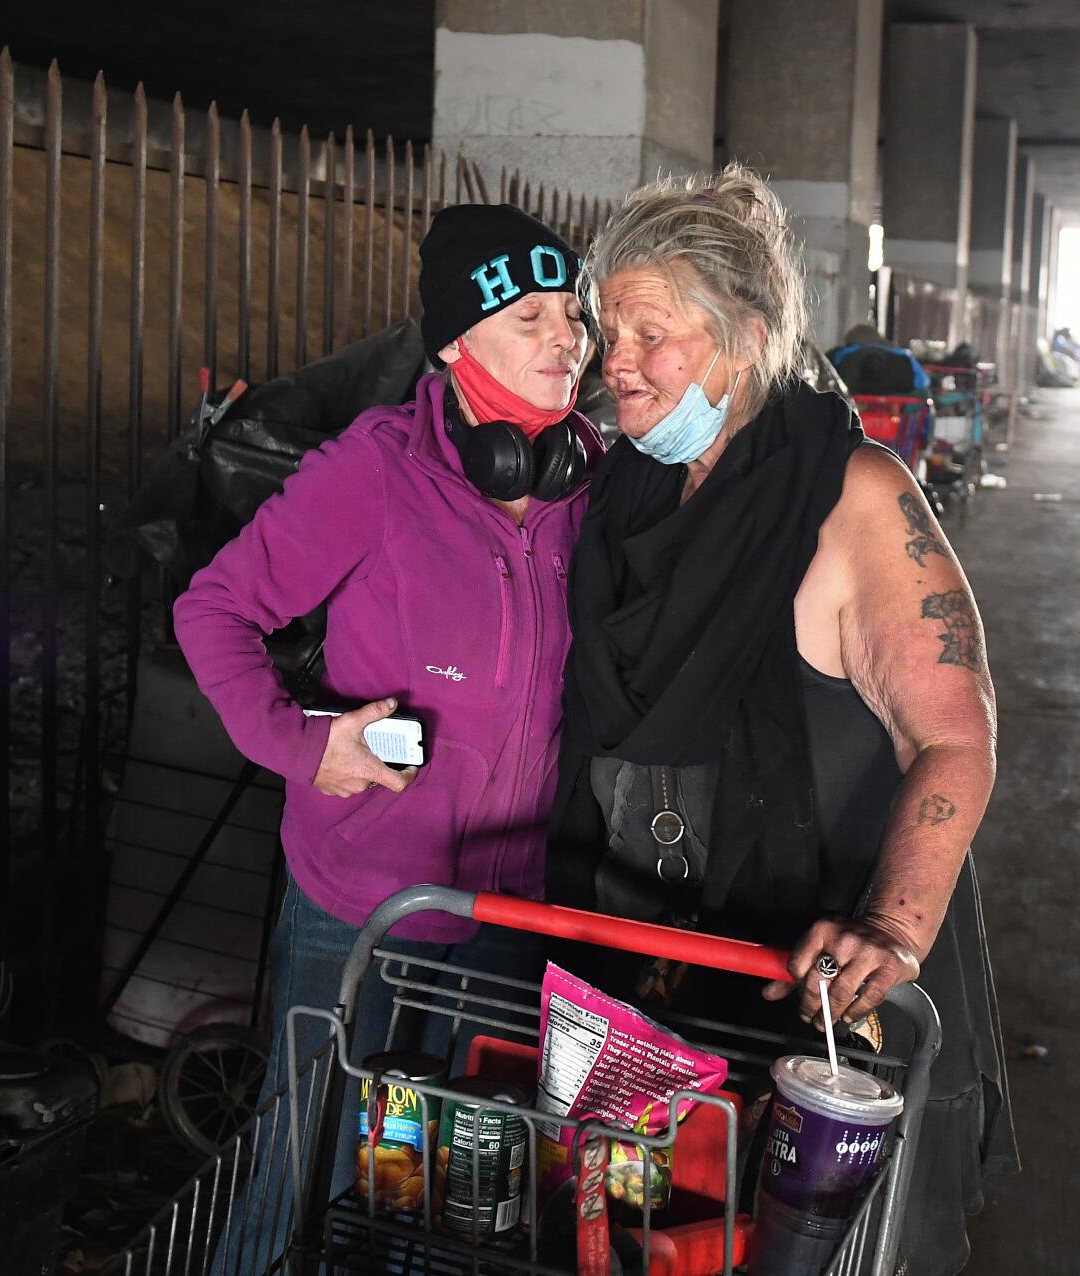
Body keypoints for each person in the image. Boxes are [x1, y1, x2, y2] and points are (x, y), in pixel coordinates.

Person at [547, 166, 1016, 1275]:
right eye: (605, 327)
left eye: (649, 331)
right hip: (647, 971)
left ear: (743, 338)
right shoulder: (623, 493)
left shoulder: (853, 498)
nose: (613, 360)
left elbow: (952, 735)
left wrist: (891, 931)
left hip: (815, 1009)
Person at [174, 203, 603, 1258]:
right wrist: (300, 740)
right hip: (362, 905)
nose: (566, 340)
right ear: (455, 344)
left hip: (509, 912)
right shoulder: (374, 468)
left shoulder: (592, 478)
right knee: (307, 1156)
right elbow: (211, 610)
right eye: (530, 319)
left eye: (572, 315)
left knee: (453, 1192)